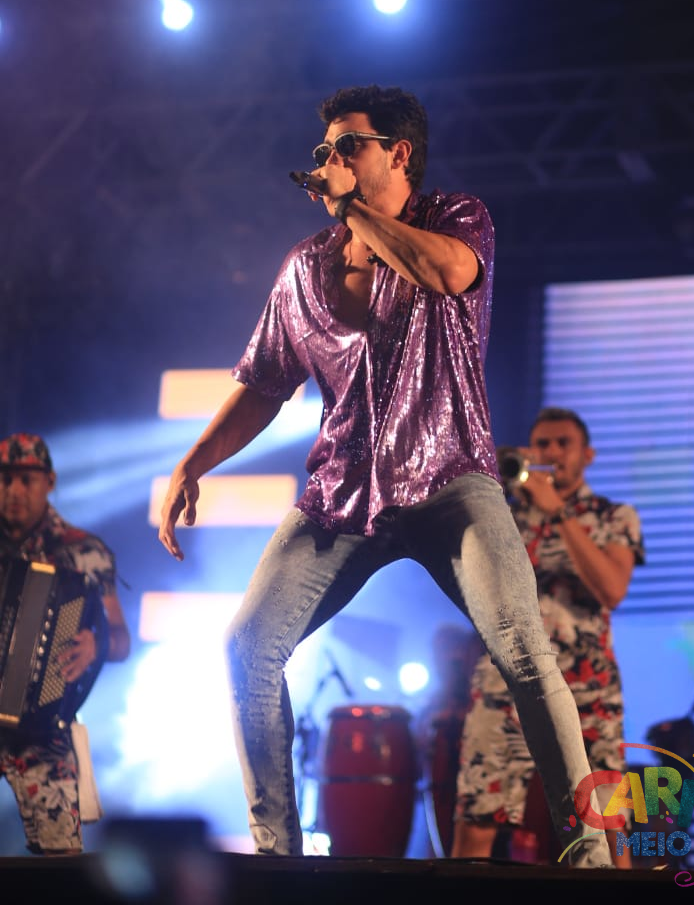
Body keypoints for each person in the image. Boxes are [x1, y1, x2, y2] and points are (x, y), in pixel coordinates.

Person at [158, 84, 613, 867]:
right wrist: (192, 463)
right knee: (247, 649)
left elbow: (443, 273)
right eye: (323, 151)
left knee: (522, 649)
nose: (329, 160)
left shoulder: (455, 218)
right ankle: (277, 857)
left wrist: (352, 210)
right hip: (341, 495)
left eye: (348, 146)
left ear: (398, 153)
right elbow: (264, 382)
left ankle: (588, 852)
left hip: (450, 480)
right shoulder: (305, 267)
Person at [451, 407, 644, 868]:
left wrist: (558, 513)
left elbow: (612, 590)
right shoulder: (503, 518)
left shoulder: (613, 516)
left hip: (588, 689)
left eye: (563, 443)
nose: (552, 452)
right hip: (506, 685)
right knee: (478, 818)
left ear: (587, 455)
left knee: (609, 823)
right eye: (542, 444)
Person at [0, 432, 131, 854]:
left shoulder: (84, 553)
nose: (14, 490)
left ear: (50, 482)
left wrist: (96, 644)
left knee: (60, 861)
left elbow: (121, 640)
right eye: (5, 478)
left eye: (26, 479)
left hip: (43, 731)